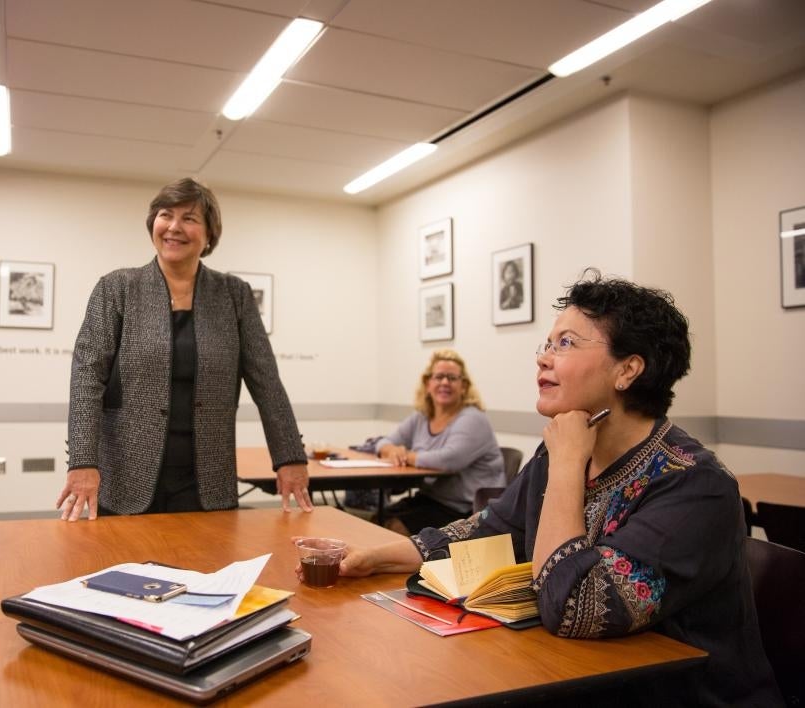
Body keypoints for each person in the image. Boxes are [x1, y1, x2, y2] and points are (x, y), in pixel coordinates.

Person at [306, 272, 781, 706]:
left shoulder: (695, 484)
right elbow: (492, 529)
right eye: (547, 342)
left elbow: (571, 606)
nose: (543, 356)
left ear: (628, 370)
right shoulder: (561, 448)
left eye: (566, 343)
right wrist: (378, 558)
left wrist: (570, 463)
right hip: (588, 681)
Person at [59, 178, 311, 519]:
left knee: (206, 568)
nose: (174, 227)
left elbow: (266, 382)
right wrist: (83, 461)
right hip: (126, 474)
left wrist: (290, 457)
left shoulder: (234, 295)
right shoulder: (118, 288)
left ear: (209, 235)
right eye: (166, 215)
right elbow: (86, 379)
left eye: (190, 219)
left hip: (206, 477)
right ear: (154, 224)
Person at [375, 350, 504, 535]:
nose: (445, 382)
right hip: (430, 498)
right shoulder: (421, 416)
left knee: (396, 528)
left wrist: (406, 456)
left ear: (464, 386)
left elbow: (448, 460)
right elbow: (384, 442)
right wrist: (391, 449)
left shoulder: (473, 418)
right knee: (376, 520)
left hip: (466, 510)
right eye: (439, 377)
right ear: (428, 384)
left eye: (452, 378)